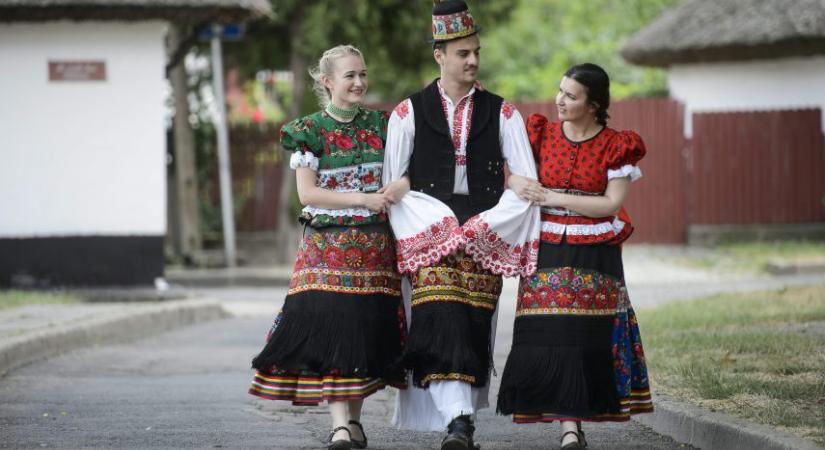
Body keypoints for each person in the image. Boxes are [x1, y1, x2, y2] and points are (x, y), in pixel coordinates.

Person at [379, 1, 541, 449]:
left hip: (486, 234)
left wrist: (485, 227)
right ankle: (458, 421)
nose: (471, 60)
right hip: (431, 235)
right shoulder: (407, 113)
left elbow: (524, 186)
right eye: (462, 53)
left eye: (476, 52)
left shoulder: (503, 113)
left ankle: (460, 419)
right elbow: (396, 188)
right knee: (437, 317)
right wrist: (438, 228)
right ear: (439, 55)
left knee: (472, 321)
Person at [248, 45, 405, 450]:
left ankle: (353, 421)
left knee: (363, 331)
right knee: (334, 329)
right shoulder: (309, 130)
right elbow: (308, 194)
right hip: (326, 247)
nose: (358, 82)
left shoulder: (384, 124)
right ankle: (338, 425)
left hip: (374, 247)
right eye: (350, 75)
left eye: (362, 75)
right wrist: (363, 198)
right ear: (327, 81)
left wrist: (393, 189)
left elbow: (404, 174)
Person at [496, 63, 653, 450]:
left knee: (587, 335)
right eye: (560, 91)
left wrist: (551, 197)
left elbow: (611, 203)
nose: (559, 100)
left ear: (595, 105)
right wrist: (521, 184)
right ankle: (567, 425)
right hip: (546, 242)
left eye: (571, 96)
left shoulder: (617, 144)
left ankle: (576, 422)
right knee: (551, 331)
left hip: (596, 249)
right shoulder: (541, 135)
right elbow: (511, 174)